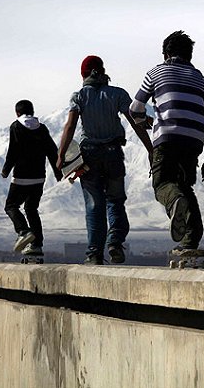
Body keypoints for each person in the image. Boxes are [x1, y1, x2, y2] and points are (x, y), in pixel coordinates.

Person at [129, 31, 204, 255]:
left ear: (165, 53)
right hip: (194, 141)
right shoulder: (202, 80)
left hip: (167, 137)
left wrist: (144, 120)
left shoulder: (156, 73)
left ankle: (174, 202)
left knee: (163, 185)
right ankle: (190, 241)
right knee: (184, 185)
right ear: (189, 55)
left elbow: (135, 108)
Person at [57, 55, 153, 265]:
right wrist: (150, 149)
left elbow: (70, 126)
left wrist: (61, 155)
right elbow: (136, 122)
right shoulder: (117, 94)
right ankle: (115, 243)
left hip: (89, 156)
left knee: (94, 204)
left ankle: (94, 253)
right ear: (102, 71)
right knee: (115, 200)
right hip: (113, 154)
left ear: (83, 74)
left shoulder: (79, 96)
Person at [2, 99, 62, 256]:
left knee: (11, 206)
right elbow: (51, 150)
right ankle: (36, 245)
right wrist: (57, 171)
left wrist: (6, 169)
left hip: (21, 176)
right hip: (38, 177)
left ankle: (23, 231)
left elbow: (13, 150)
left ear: (17, 113)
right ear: (33, 112)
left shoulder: (16, 126)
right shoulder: (41, 128)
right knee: (31, 209)